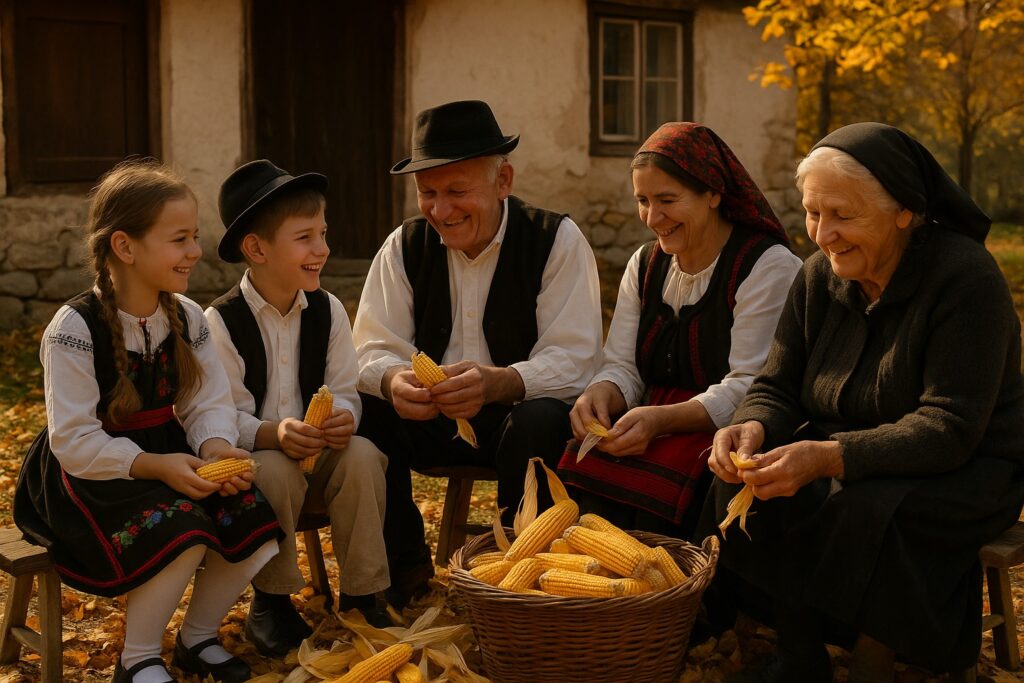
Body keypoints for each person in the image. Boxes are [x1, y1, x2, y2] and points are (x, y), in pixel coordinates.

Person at [705, 122, 1024, 681]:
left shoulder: (966, 280)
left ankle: (876, 654)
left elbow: (949, 425)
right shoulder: (815, 279)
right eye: (812, 213)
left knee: (859, 506)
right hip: (849, 446)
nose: (822, 234)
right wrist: (751, 426)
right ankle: (800, 654)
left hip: (968, 464)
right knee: (747, 484)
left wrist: (827, 456)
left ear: (904, 211)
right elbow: (776, 384)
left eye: (842, 215)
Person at [13, 161, 282, 683]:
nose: (196, 251)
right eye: (180, 239)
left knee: (252, 515)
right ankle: (136, 660)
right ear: (125, 246)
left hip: (169, 452)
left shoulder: (186, 316)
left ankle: (196, 638)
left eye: (195, 236)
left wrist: (214, 447)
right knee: (182, 525)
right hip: (90, 475)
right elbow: (73, 440)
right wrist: (155, 466)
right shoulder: (74, 327)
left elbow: (206, 401)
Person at [353, 99, 603, 607]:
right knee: (365, 412)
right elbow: (368, 348)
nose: (441, 210)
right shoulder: (404, 245)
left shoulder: (555, 239)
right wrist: (394, 381)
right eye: (428, 193)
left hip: (513, 421)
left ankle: (511, 579)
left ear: (503, 180)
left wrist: (500, 382)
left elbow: (576, 358)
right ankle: (401, 570)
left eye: (457, 191)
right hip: (428, 421)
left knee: (541, 420)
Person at [557, 122, 801, 539]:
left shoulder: (766, 267)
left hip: (731, 430)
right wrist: (602, 391)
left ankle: (675, 596)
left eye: (667, 199)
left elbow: (750, 385)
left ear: (712, 194)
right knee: (582, 475)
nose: (653, 218)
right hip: (656, 417)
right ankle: (597, 596)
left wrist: (660, 420)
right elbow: (622, 364)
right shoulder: (646, 264)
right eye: (642, 201)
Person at [206, 159, 392, 653]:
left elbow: (345, 388)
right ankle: (272, 600)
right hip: (259, 457)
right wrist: (274, 434)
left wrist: (343, 417)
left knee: (364, 457)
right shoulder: (220, 323)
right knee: (274, 472)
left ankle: (363, 592)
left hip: (321, 452)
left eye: (323, 234)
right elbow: (221, 415)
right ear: (257, 249)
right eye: (305, 237)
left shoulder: (328, 310)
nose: (322, 249)